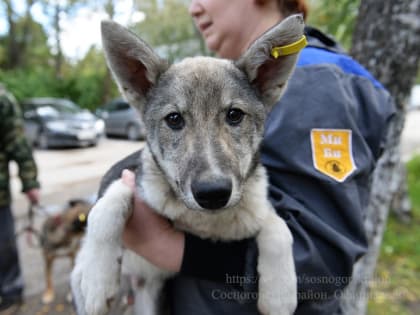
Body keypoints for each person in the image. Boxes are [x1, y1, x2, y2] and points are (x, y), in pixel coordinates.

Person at [120, 0, 396, 314]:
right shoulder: (220, 81)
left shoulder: (314, 81)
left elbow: (323, 261)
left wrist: (171, 250)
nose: (193, 8)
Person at [0, 84, 40, 311]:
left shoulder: (2, 100)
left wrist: (30, 182)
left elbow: (17, 144)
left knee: (3, 246)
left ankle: (11, 291)